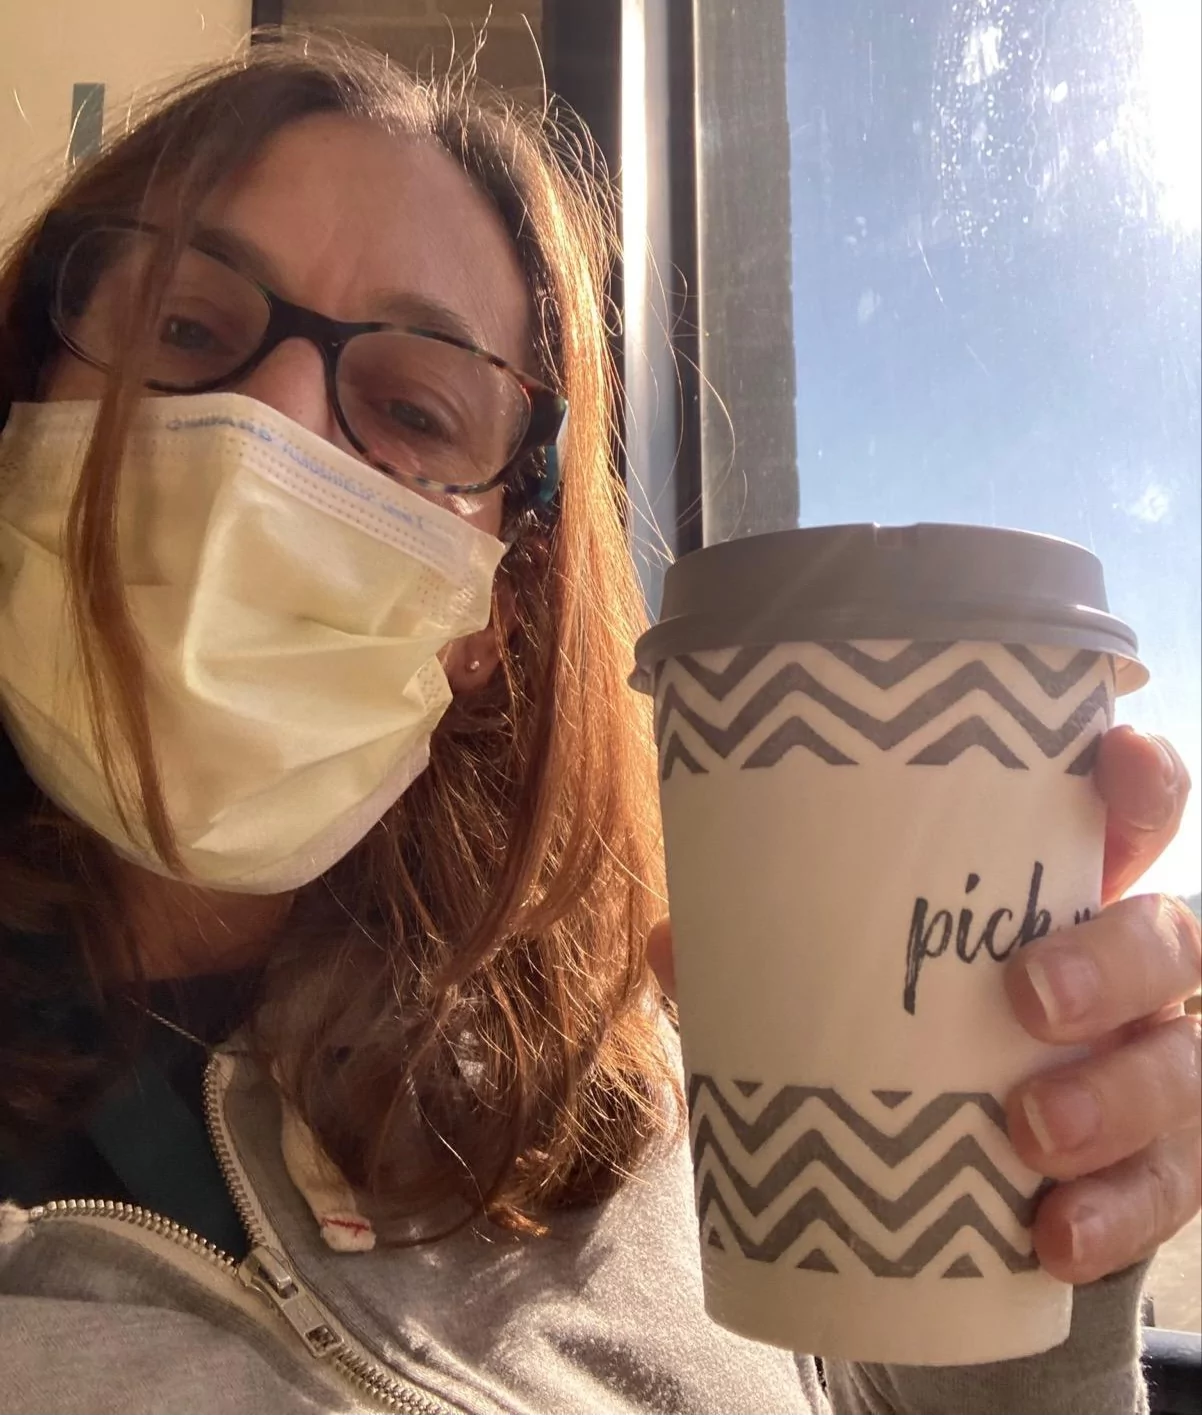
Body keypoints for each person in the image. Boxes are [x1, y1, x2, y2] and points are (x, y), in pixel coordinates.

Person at [0, 35, 1197, 1415]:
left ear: (488, 617)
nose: (268, 427)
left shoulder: (644, 1079)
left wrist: (1032, 1281)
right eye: (184, 330)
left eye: (408, 408)